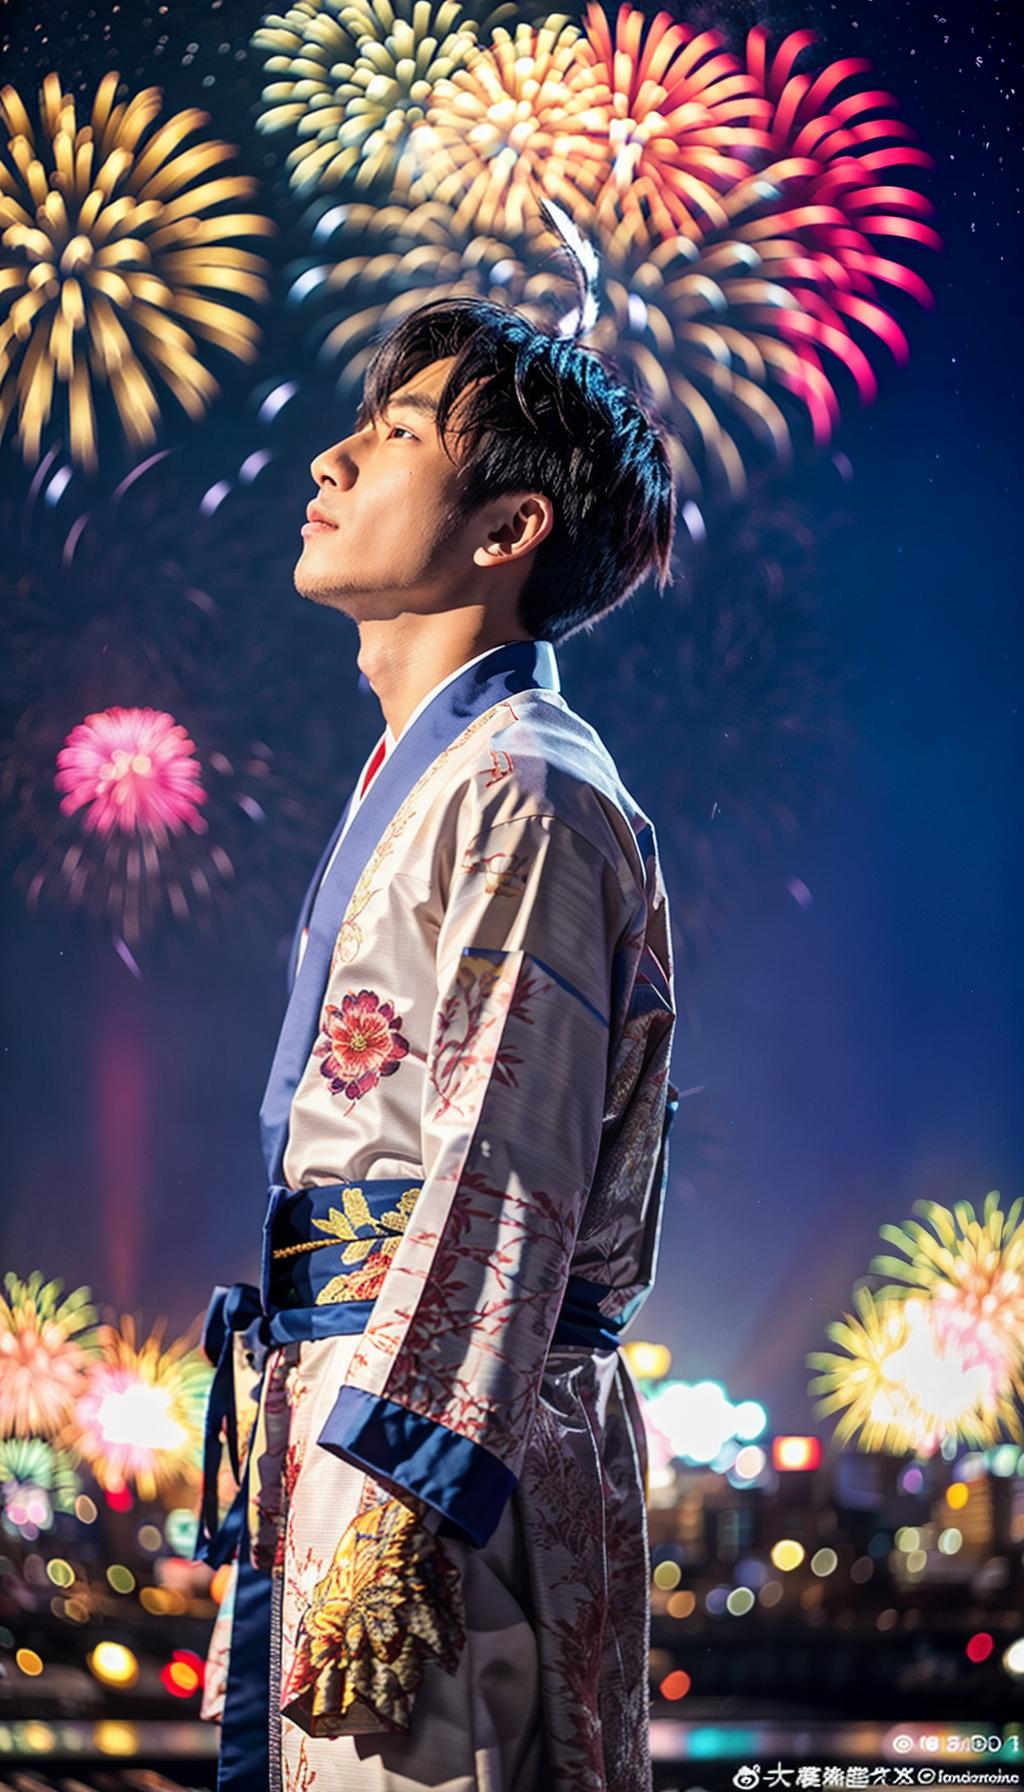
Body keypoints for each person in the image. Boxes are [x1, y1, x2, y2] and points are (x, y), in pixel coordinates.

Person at [196, 294, 680, 1792]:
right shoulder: (447, 780)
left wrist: (407, 1499)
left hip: (434, 1463)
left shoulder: (521, 789)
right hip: (365, 1416)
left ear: (505, 529)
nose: (333, 458)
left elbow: (506, 1173)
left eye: (399, 433)